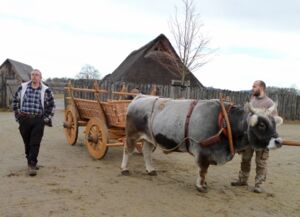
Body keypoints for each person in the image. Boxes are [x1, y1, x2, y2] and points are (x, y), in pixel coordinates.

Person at [231, 80, 277, 193]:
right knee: (245, 159)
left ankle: (258, 184)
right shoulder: (252, 100)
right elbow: (245, 118)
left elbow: (273, 122)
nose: (252, 88)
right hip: (249, 137)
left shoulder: (270, 103)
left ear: (261, 87)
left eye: (254, 86)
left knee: (260, 162)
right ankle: (242, 180)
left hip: (262, 139)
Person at [12, 69, 55, 176]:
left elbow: (52, 106)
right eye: (33, 75)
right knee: (27, 142)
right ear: (30, 76)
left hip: (38, 119)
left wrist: (45, 119)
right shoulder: (23, 87)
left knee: (35, 142)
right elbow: (15, 102)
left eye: (37, 75)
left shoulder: (46, 90)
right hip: (24, 119)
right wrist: (18, 117)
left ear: (40, 77)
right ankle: (29, 160)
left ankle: (32, 164)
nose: (34, 76)